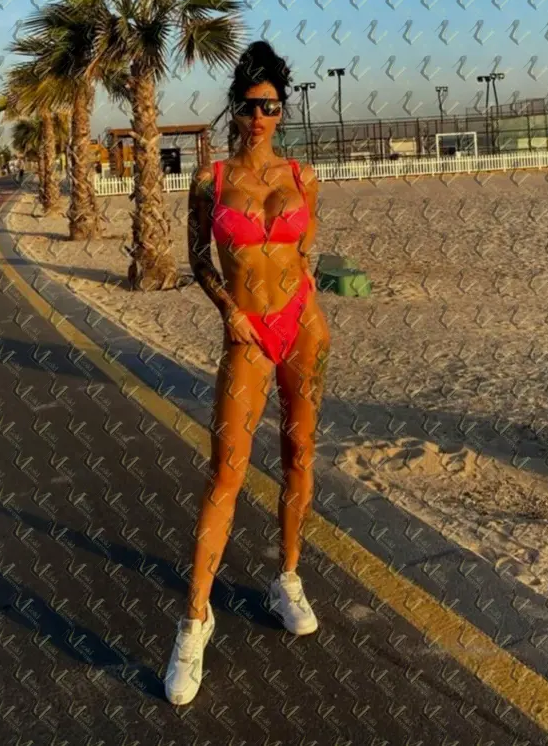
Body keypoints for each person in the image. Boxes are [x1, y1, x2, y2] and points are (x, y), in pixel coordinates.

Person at [164, 40, 331, 706]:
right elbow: (198, 260)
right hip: (247, 333)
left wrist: (305, 305)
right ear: (234, 108)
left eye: (271, 106)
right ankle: (193, 622)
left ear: (282, 110)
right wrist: (229, 310)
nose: (260, 117)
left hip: (303, 327)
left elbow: (303, 253)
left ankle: (286, 578)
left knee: (299, 454)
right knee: (226, 472)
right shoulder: (209, 181)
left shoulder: (303, 176)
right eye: (250, 105)